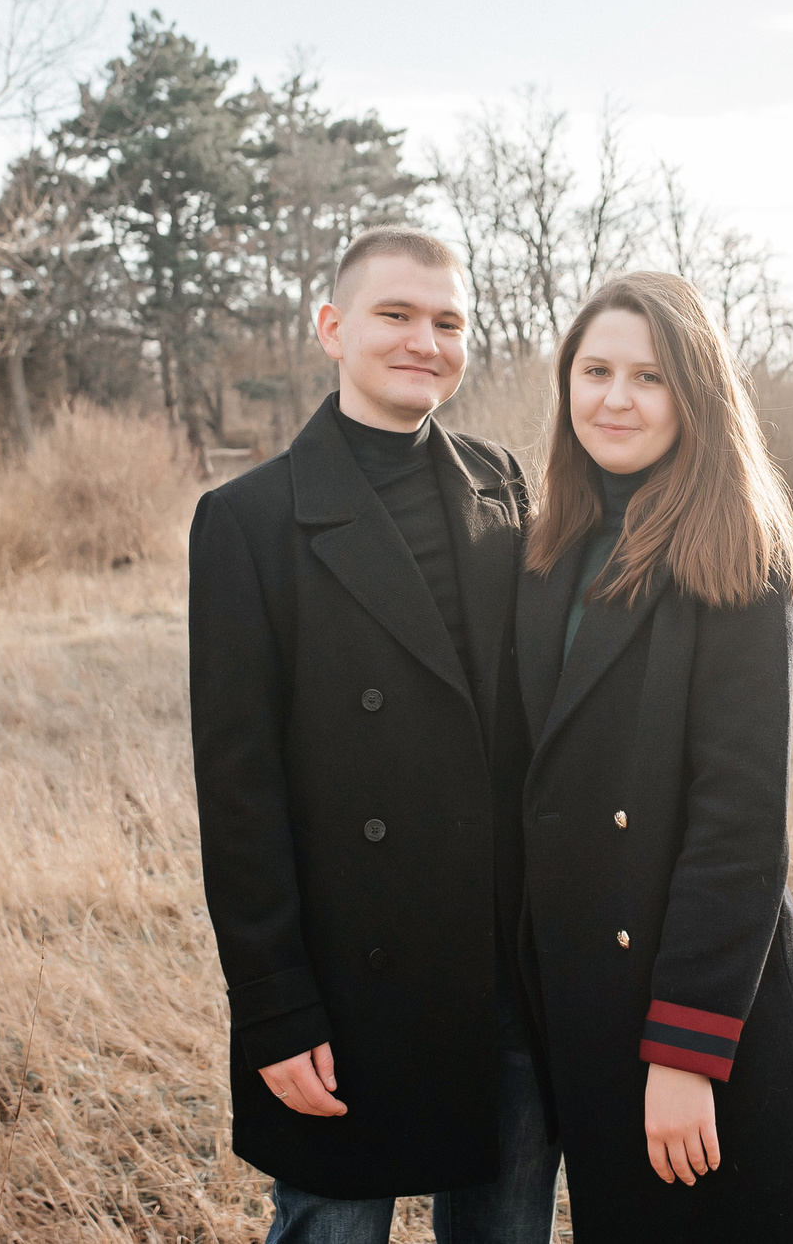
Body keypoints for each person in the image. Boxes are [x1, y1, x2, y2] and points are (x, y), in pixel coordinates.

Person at [189, 226, 560, 1244]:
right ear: (332, 327)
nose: (424, 341)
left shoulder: (503, 484)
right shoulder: (249, 521)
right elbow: (238, 789)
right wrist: (272, 1004)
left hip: (503, 972)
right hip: (349, 980)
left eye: (449, 321)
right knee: (333, 1229)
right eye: (395, 314)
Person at [513, 271, 793, 1244]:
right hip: (585, 1003)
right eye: (596, 369)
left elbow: (738, 825)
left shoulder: (736, 552)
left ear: (693, 390)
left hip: (698, 1009)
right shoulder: (547, 545)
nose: (615, 397)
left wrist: (687, 1055)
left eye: (648, 376)